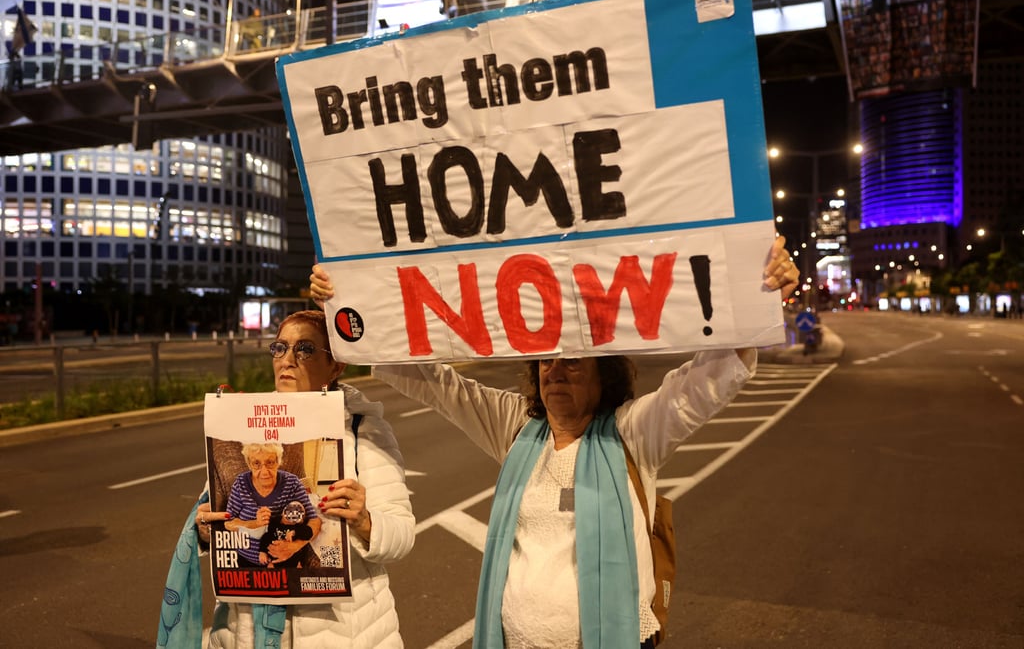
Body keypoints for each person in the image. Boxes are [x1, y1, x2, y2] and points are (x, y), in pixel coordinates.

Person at [309, 236, 800, 647]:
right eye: (546, 362)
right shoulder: (518, 427)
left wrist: (761, 292)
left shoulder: (632, 433)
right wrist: (346, 306)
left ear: (603, 373)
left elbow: (703, 384)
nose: (555, 372)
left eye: (571, 362)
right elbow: (436, 383)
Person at [160, 309, 415, 648]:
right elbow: (219, 512)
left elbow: (402, 535)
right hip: (246, 632)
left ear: (336, 365)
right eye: (279, 348)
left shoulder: (363, 431)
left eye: (306, 349)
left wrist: (364, 522)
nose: (288, 359)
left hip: (344, 635)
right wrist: (206, 529)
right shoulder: (242, 425)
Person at [223, 442, 320, 568]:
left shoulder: (292, 483)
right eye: (256, 463)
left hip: (286, 563)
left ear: (278, 462)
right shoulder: (241, 483)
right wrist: (253, 524)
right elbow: (228, 523)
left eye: (270, 462)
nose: (264, 472)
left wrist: (294, 547)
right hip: (247, 563)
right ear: (249, 464)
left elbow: (314, 520)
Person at [259, 501, 316, 569]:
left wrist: (295, 532)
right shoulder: (274, 524)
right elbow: (266, 537)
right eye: (290, 510)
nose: (292, 515)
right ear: (283, 513)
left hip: (294, 563)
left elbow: (309, 533)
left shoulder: (298, 528)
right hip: (274, 561)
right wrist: (262, 552)